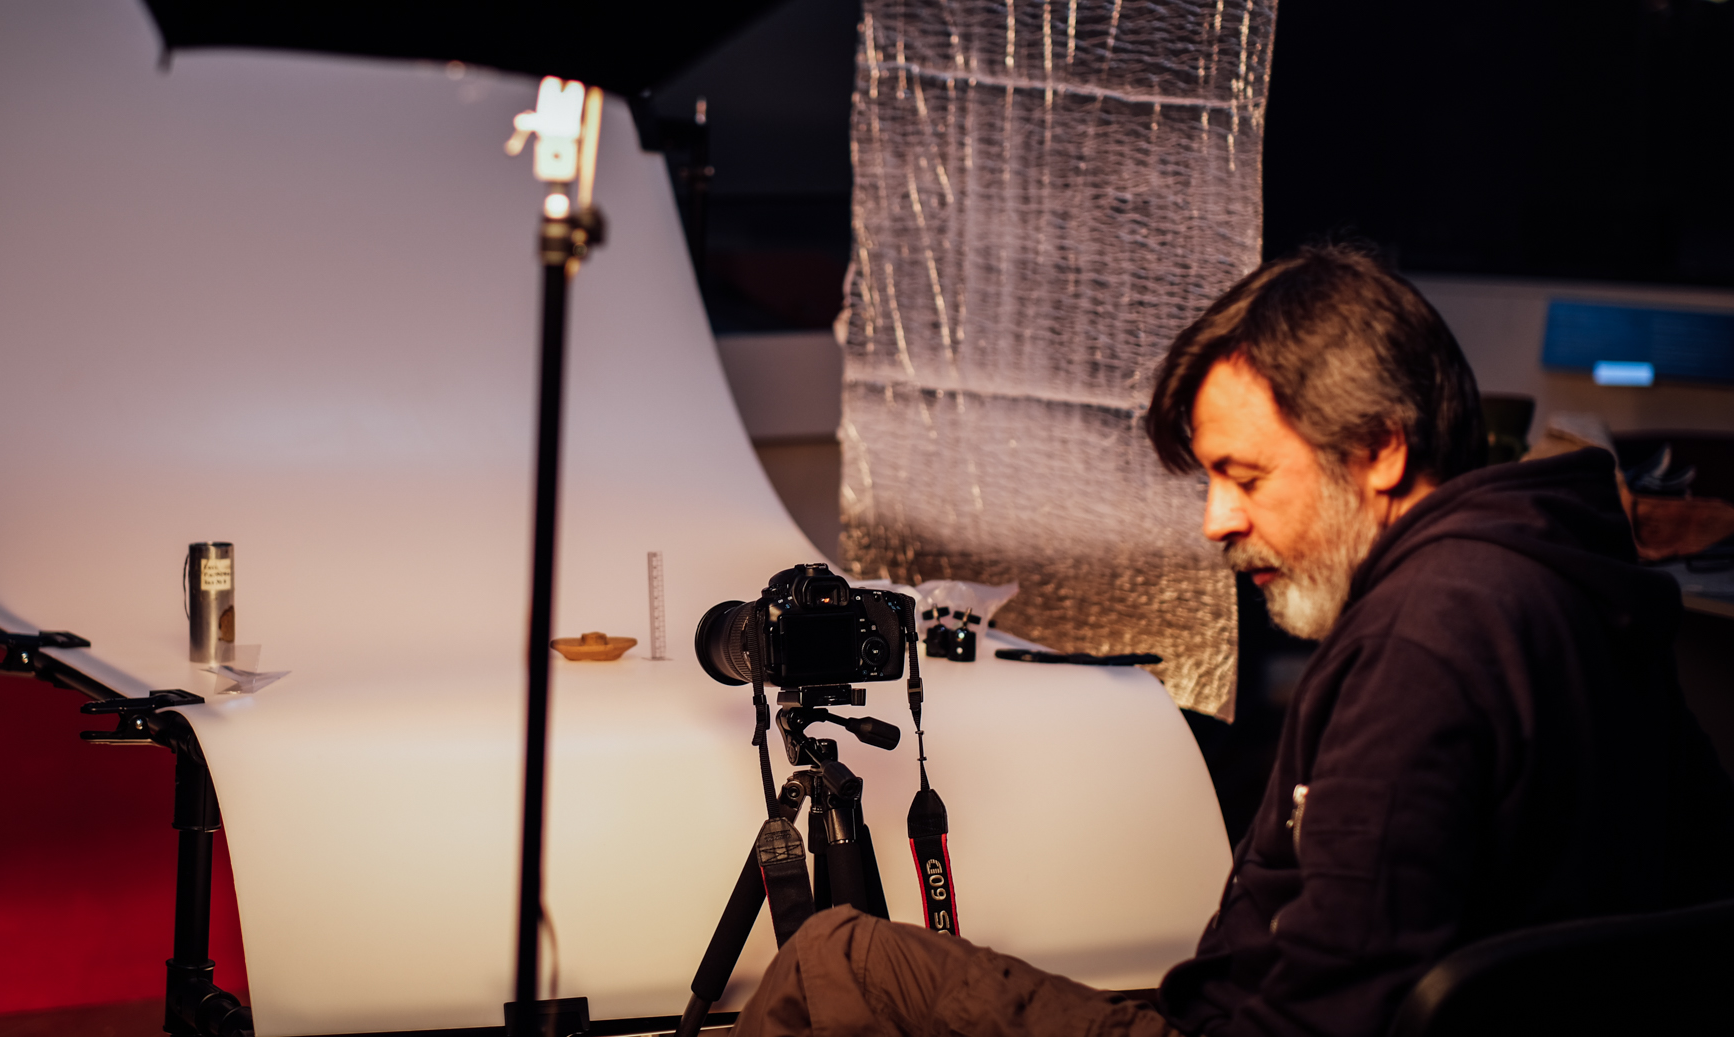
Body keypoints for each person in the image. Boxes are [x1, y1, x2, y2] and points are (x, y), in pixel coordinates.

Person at [734, 243, 1734, 1037]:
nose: (1214, 519)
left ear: (1379, 448)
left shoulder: (1420, 645)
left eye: (1244, 476)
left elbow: (1321, 1009)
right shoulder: (1575, 583)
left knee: (840, 958)